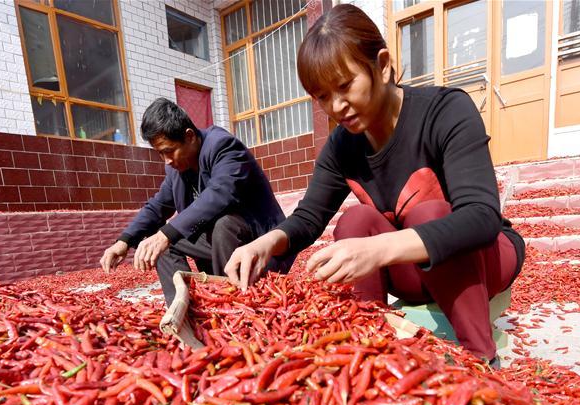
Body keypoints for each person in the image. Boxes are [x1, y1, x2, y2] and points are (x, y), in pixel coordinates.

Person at [224, 5, 524, 366]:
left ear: (382, 66)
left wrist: (378, 249)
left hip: (483, 262)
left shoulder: (445, 110)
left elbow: (481, 218)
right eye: (322, 96)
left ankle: (480, 358)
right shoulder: (342, 145)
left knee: (428, 212)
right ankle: (372, 351)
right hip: (412, 270)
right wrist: (265, 243)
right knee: (355, 221)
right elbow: (308, 217)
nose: (336, 106)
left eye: (345, 86)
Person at [100, 98, 292, 304]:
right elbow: (158, 205)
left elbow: (220, 193)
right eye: (160, 153)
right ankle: (184, 306)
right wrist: (125, 241)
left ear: (189, 136)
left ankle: (234, 301)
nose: (166, 160)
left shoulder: (222, 146)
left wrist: (168, 233)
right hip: (222, 244)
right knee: (159, 242)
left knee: (222, 224)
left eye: (168, 151)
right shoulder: (176, 169)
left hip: (259, 241)